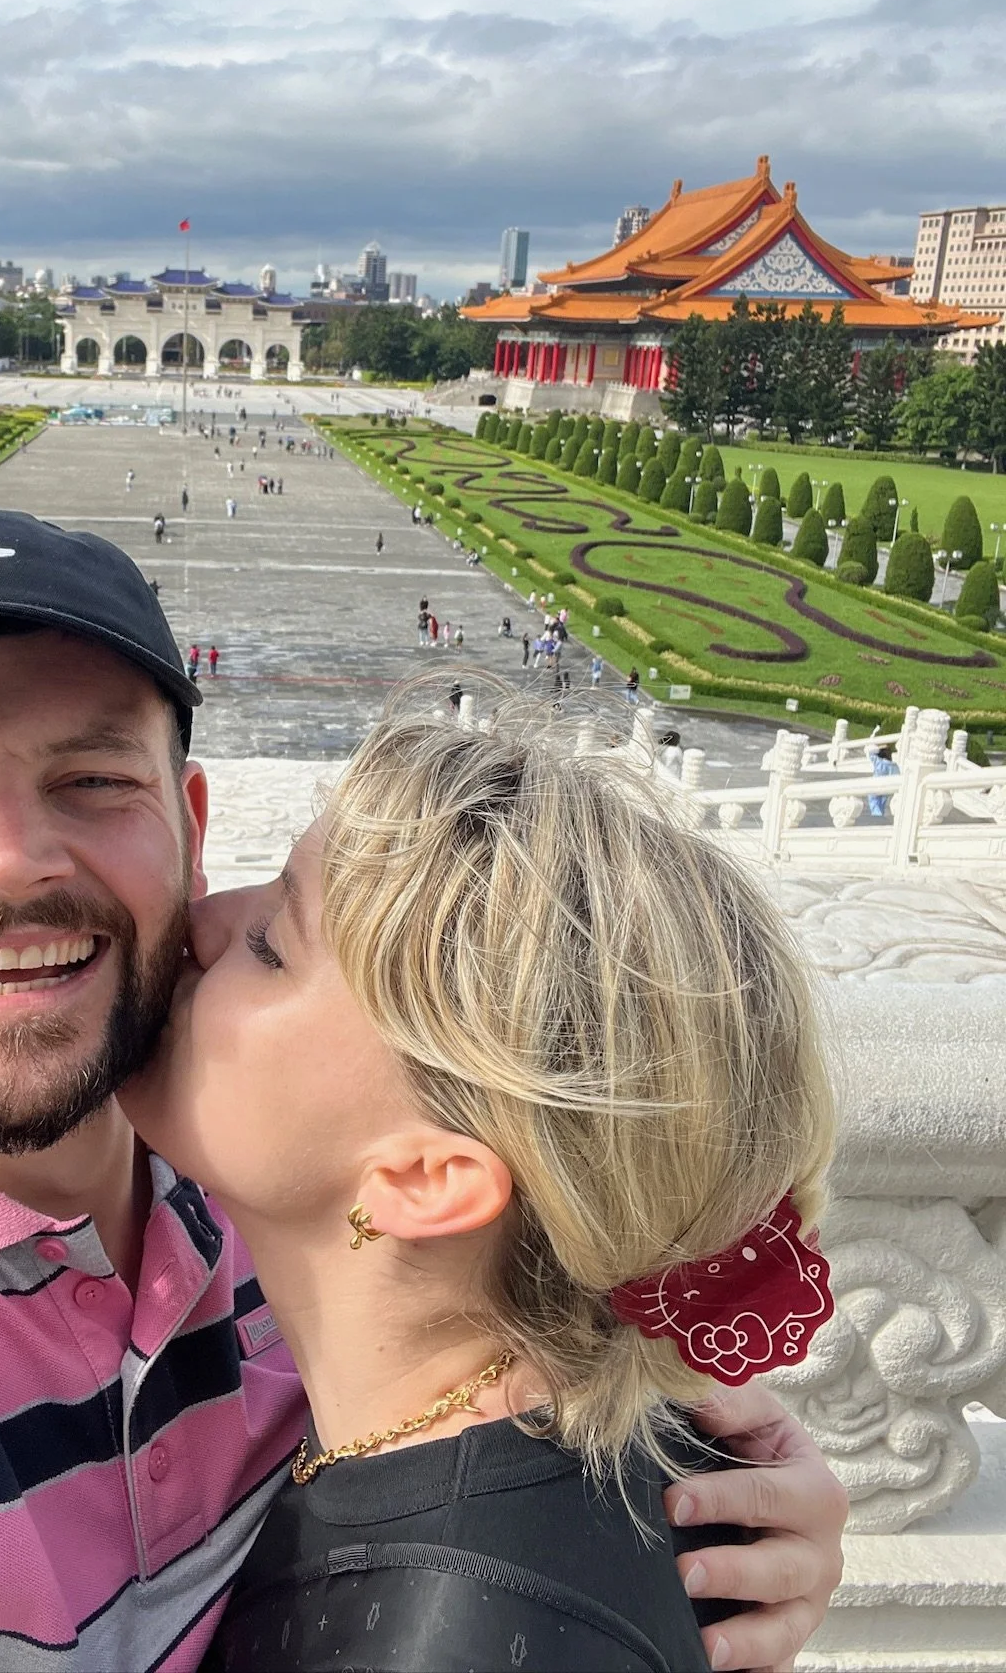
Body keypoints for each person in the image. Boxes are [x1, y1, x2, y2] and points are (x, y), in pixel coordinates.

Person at [0, 514, 846, 1669]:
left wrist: (701, 1502)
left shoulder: (281, 1215)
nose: (9, 862)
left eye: (89, 777)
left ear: (188, 828)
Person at [124, 690, 835, 1673]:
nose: (201, 920)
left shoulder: (470, 1626)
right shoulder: (592, 1463)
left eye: (269, 945)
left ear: (424, 1179)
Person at [867, 740, 899, 819]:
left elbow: (870, 752)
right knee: (882, 800)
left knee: (873, 798)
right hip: (888, 786)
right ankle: (879, 813)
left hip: (877, 784)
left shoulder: (878, 761)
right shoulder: (894, 766)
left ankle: (876, 814)